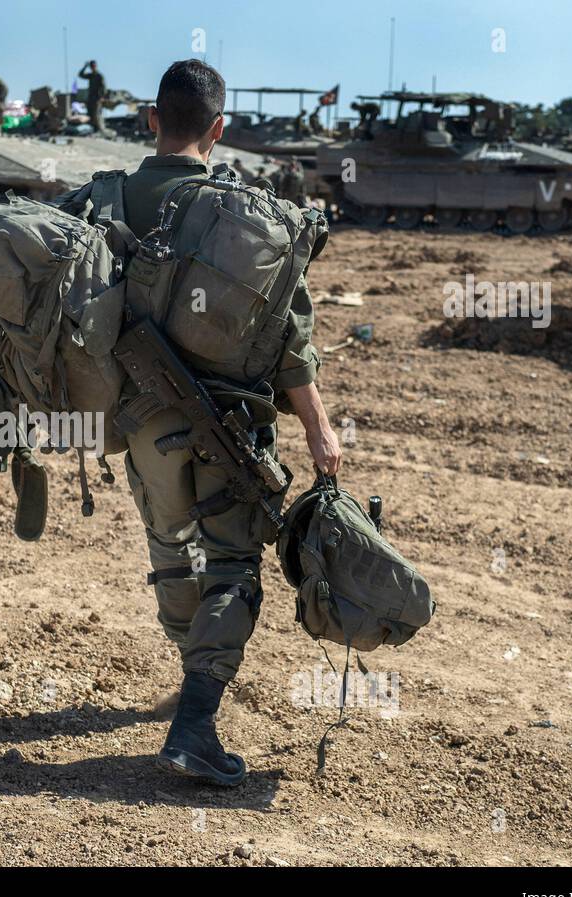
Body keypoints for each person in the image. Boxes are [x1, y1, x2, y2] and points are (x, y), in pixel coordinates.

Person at [95, 60, 342, 785]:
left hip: (140, 425)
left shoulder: (101, 198)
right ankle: (196, 724)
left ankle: (186, 682)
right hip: (230, 428)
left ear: (151, 120)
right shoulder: (250, 214)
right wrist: (320, 429)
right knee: (232, 566)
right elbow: (291, 338)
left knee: (172, 551)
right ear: (219, 128)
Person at [77, 60, 105, 132]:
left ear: (96, 66)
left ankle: (98, 129)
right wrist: (85, 67)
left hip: (97, 98)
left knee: (96, 114)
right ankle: (92, 128)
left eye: (93, 66)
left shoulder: (99, 76)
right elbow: (80, 75)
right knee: (89, 114)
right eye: (91, 66)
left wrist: (101, 97)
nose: (92, 67)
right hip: (90, 98)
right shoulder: (91, 76)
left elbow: (103, 87)